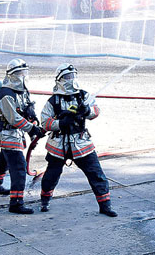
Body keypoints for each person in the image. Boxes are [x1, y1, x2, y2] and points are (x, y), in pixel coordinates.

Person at [39, 64, 117, 217]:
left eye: (73, 76)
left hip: (81, 143)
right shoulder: (53, 101)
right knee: (51, 176)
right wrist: (60, 123)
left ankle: (105, 206)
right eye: (68, 77)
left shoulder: (83, 96)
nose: (71, 79)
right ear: (60, 79)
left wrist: (87, 111)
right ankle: (45, 201)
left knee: (96, 174)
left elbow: (96, 111)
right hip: (58, 145)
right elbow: (44, 122)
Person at [0, 58, 46, 214]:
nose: (23, 76)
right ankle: (16, 203)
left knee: (3, 161)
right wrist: (32, 129)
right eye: (20, 73)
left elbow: (25, 109)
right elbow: (13, 117)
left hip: (16, 133)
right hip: (8, 134)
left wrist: (33, 119)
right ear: (12, 75)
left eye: (24, 72)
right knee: (19, 168)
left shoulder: (21, 92)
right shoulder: (6, 93)